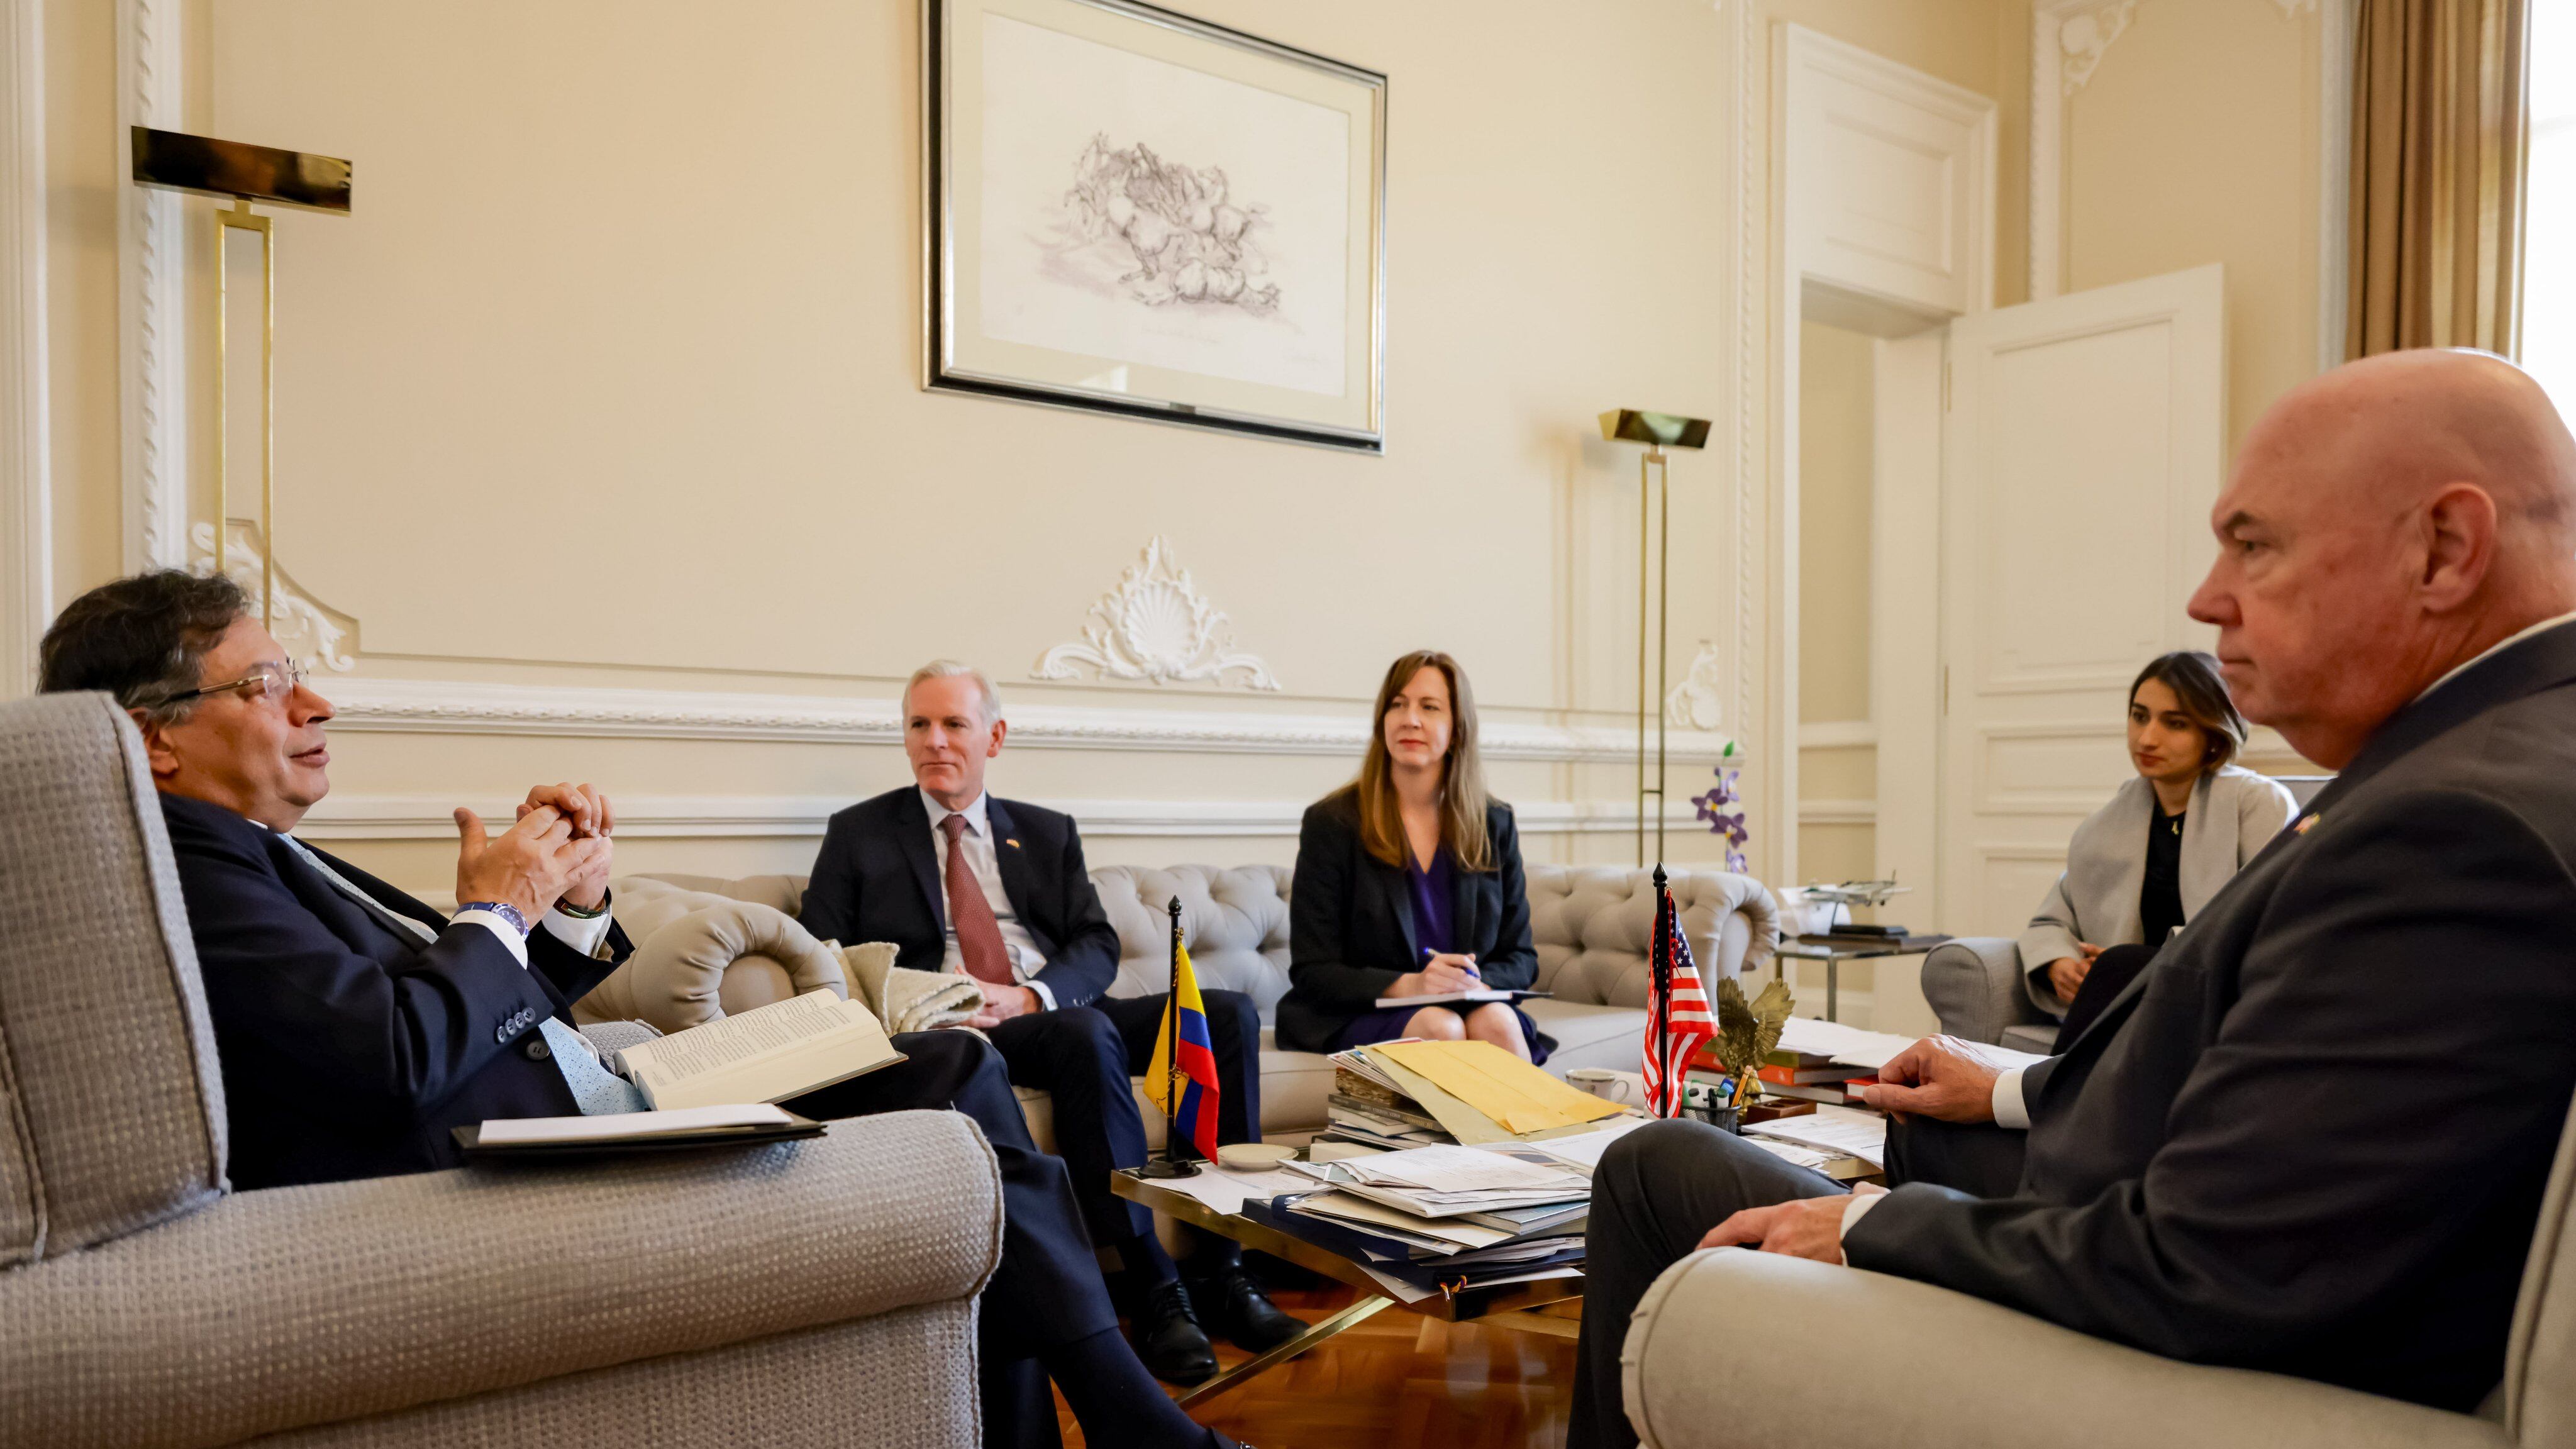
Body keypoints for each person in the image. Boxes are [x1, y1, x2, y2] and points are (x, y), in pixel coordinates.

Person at [1567, 348, 2576, 1448]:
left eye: (2253, 542)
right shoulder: (2493, 760)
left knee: (1656, 1165)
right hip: (2104, 1177)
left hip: (2128, 1315)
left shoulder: (2453, 831)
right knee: (1823, 1135)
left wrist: (1876, 1225)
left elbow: (2212, 1263)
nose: (2207, 595)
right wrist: (2009, 1088)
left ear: (2446, 547)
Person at [36, 573, 1240, 1449]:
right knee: (964, 1106)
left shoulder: (244, 849)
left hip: (577, 1090)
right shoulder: (185, 873)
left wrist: (566, 904)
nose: (317, 706)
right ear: (153, 740)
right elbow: (395, 1056)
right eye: (268, 682)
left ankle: (1072, 1427)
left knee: (956, 1082)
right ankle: (1142, 1421)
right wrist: (498, 911)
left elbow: (445, 1007)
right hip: (532, 1151)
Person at [797, 661, 1298, 1383]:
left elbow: (1094, 942)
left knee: (1221, 1012)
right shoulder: (860, 833)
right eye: (918, 724)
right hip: (957, 1029)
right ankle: (1154, 1284)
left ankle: (1221, 1266)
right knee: (1084, 1034)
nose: (934, 741)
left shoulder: (1043, 831)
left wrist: (1033, 994)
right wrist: (920, 1002)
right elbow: (824, 953)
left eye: (953, 724)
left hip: (1041, 1010)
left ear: (993, 737)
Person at [1274, 650, 1545, 1063]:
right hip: (1359, 1012)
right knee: (1440, 1027)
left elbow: (1521, 958)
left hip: (1470, 1004)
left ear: (1457, 729)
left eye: (1429, 707)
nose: (1410, 719)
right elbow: (1314, 971)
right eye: (1397, 705)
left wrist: (1470, 981)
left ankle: (1541, 1130)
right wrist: (1413, 986)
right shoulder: (1332, 823)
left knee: (1498, 1022)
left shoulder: (1494, 822)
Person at [2021, 650, 2295, 1043]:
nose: (2147, 738)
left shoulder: (2258, 804)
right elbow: (2051, 920)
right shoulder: (2107, 822)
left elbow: (2270, 922)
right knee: (2119, 970)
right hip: (2132, 998)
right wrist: (2058, 964)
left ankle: (2048, 1096)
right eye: (2139, 716)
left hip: (2221, 991)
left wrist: (2150, 965)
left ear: (2214, 733)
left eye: (2176, 723)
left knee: (2119, 966)